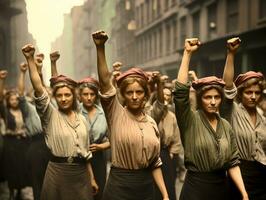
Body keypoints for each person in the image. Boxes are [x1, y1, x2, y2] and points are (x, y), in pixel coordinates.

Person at [92, 30, 169, 200]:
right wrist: (100, 48)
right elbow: (105, 84)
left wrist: (164, 194)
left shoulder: (151, 123)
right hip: (119, 187)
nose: (134, 96)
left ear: (146, 94)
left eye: (139, 92)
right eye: (129, 92)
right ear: (123, 95)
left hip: (146, 187)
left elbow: (155, 163)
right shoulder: (116, 115)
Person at [173, 38, 248, 200]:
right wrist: (187, 54)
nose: (213, 101)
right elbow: (180, 94)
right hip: (196, 190)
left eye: (216, 97)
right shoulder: (190, 120)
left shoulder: (226, 125)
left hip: (222, 190)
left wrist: (244, 193)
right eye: (207, 97)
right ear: (200, 99)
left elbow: (233, 163)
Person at [21, 44, 98, 200]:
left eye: (67, 95)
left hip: (81, 175)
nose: (63, 99)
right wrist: (30, 59)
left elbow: (86, 153)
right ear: (55, 97)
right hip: (58, 173)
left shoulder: (82, 119)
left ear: (74, 96)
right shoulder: (50, 115)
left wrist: (92, 178)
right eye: (60, 95)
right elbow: (39, 89)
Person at [222, 37, 266, 200]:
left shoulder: (262, 117)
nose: (253, 96)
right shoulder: (232, 111)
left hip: (261, 176)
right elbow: (227, 87)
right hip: (239, 173)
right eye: (249, 92)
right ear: (240, 93)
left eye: (257, 93)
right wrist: (231, 53)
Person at [17, 62, 51, 200]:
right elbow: (20, 95)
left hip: (50, 143)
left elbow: (42, 89)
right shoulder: (28, 109)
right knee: (37, 182)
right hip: (36, 145)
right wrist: (22, 72)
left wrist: (39, 70)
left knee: (51, 181)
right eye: (35, 92)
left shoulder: (48, 107)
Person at [0, 70, 30, 200]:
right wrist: (2, 80)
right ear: (8, 100)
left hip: (21, 144)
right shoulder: (6, 112)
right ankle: (12, 192)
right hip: (10, 143)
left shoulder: (23, 111)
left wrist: (22, 73)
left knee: (20, 167)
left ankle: (19, 191)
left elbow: (22, 94)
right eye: (11, 99)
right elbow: (0, 98)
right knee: (11, 168)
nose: (14, 101)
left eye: (16, 99)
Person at [78, 76, 110, 200]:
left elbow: (113, 138)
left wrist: (102, 146)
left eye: (92, 94)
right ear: (80, 95)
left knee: (99, 192)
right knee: (82, 193)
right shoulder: (75, 111)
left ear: (96, 95)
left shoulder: (103, 113)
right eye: (85, 94)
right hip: (79, 158)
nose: (89, 97)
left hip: (98, 157)